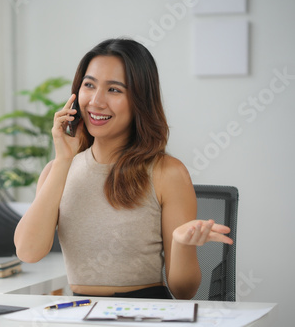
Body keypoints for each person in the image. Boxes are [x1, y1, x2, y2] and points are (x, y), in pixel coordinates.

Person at [14, 38, 233, 300]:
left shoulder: (166, 172)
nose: (96, 101)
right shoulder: (56, 170)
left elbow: (184, 291)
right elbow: (28, 252)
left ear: (140, 100)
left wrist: (182, 245)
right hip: (80, 312)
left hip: (144, 312)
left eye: (114, 90)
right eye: (89, 85)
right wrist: (63, 161)